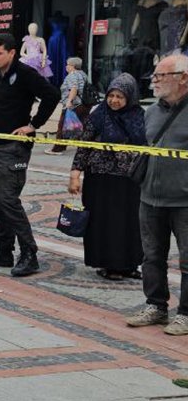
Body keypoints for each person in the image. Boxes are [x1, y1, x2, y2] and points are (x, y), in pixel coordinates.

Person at [0, 33, 61, 277]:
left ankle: (29, 253)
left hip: (14, 148)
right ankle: (3, 250)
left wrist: (34, 124)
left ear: (12, 52)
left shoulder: (25, 73)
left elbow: (53, 95)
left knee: (9, 200)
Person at [128, 54, 188, 336]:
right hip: (150, 197)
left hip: (184, 201)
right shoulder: (151, 111)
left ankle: (186, 313)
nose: (155, 81)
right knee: (152, 256)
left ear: (183, 78)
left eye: (161, 76)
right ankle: (156, 305)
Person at [69, 73, 146, 281]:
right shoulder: (98, 115)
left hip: (130, 179)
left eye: (120, 96)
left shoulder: (140, 115)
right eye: (111, 95)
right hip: (100, 179)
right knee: (106, 222)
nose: (114, 100)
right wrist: (75, 174)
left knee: (131, 222)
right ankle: (109, 264)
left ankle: (129, 263)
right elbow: (84, 146)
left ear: (130, 97)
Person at [48, 57, 91, 154]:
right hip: (84, 105)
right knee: (82, 126)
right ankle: (86, 148)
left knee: (62, 126)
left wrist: (69, 101)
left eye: (68, 64)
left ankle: (57, 149)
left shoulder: (72, 75)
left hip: (74, 105)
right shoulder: (83, 74)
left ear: (73, 66)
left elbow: (74, 88)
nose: (66, 66)